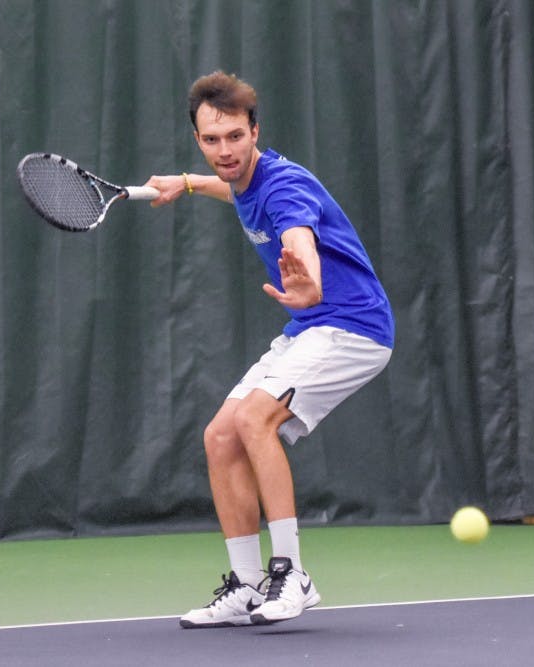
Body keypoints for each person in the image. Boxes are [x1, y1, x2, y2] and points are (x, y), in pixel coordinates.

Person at [144, 71, 394, 628]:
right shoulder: (239, 177)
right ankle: (247, 584)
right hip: (310, 328)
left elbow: (296, 230)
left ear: (255, 130)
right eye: (212, 141)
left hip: (354, 328)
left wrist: (306, 276)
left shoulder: (284, 186)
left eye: (235, 136)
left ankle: (292, 573)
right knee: (220, 436)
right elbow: (229, 188)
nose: (225, 151)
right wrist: (185, 182)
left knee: (256, 418)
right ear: (199, 139)